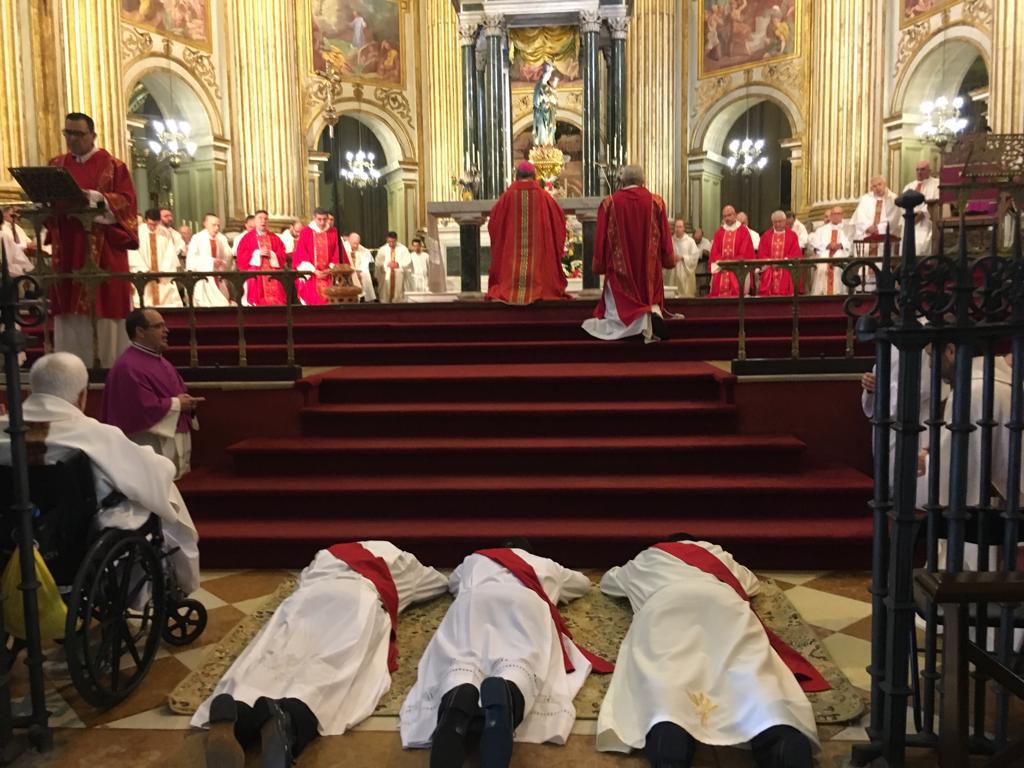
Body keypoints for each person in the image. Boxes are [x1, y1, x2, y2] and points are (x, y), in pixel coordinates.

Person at [195, 540, 447, 766]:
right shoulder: (401, 560)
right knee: (332, 665)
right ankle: (289, 718)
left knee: (275, 653)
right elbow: (436, 584)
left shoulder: (326, 555)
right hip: (357, 599)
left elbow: (303, 580)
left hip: (309, 597)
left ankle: (238, 710)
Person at [596, 535, 823, 768]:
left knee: (667, 669)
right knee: (748, 666)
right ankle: (778, 732)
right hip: (724, 602)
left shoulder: (646, 558)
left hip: (666, 603)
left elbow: (609, 583)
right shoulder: (718, 555)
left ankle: (670, 733)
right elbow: (751, 584)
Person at [0, 352, 199, 594]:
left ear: (33, 388)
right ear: (82, 395)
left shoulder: (5, 429)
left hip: (9, 537)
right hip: (73, 541)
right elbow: (153, 473)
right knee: (160, 494)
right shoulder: (97, 435)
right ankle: (180, 581)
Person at [400, 540, 611, 768]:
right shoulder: (547, 564)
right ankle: (508, 693)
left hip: (474, 599)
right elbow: (582, 585)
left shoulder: (474, 559)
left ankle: (457, 699)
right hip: (525, 601)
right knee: (520, 658)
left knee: (463, 657)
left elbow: (453, 584)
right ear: (529, 551)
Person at [46, 112, 137, 367]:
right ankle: (69, 374)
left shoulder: (113, 166)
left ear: (93, 135)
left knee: (105, 316)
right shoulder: (56, 166)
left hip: (103, 253)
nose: (72, 139)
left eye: (78, 134)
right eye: (68, 133)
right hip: (67, 252)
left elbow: (127, 203)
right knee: (68, 318)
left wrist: (95, 198)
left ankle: (107, 371)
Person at [102, 308, 201, 479]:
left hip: (169, 439)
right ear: (140, 332)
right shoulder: (128, 366)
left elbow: (174, 393)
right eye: (159, 326)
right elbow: (140, 408)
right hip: (149, 443)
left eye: (164, 326)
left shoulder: (160, 361)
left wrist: (186, 402)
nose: (166, 330)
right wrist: (178, 404)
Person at [582, 165, 676, 343]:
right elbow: (665, 237)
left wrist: (598, 264)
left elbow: (600, 238)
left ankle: (637, 324)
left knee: (620, 308)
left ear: (622, 180)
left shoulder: (609, 203)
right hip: (649, 270)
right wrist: (668, 258)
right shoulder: (656, 202)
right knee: (649, 298)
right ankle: (650, 316)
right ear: (643, 181)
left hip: (619, 271)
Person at [485, 161, 570, 305]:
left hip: (510, 270)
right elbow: (559, 223)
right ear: (534, 176)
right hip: (539, 271)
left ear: (516, 176)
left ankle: (514, 291)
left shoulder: (506, 198)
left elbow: (494, 224)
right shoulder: (545, 197)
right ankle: (536, 288)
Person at [128, 208, 183, 308]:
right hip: (144, 273)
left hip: (162, 274)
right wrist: (145, 270)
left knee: (166, 299)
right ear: (145, 221)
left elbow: (170, 254)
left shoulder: (165, 233)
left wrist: (162, 271)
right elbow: (133, 253)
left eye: (155, 224)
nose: (153, 227)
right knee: (143, 300)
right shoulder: (138, 232)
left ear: (159, 221)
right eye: (150, 224)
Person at [236, 210, 287, 306]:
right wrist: (258, 254)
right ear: (255, 221)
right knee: (254, 281)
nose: (263, 221)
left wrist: (272, 254)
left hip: (273, 272)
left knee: (279, 283)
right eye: (260, 218)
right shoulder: (247, 238)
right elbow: (241, 257)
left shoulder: (275, 238)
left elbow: (282, 254)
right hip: (255, 271)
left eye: (266, 219)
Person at [293, 208, 342, 306]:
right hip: (311, 274)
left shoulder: (333, 232)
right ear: (314, 218)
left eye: (324, 219)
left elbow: (338, 253)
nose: (322, 222)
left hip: (330, 274)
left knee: (335, 295)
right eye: (319, 219)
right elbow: (301, 254)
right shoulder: (306, 232)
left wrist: (330, 269)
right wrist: (314, 271)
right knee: (312, 296)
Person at [185, 213, 233, 307]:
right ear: (205, 224)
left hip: (218, 275)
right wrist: (210, 262)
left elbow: (228, 256)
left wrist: (222, 262)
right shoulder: (197, 238)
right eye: (214, 225)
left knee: (223, 303)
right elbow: (191, 260)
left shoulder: (222, 238)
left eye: (218, 225)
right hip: (204, 278)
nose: (217, 228)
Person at [709, 205, 755, 298]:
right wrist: (722, 263)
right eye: (724, 216)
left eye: (729, 215)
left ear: (735, 215)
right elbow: (715, 252)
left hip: (737, 269)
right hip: (721, 269)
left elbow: (745, 251)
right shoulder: (719, 233)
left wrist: (731, 263)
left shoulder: (743, 231)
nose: (727, 218)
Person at [851, 176, 900, 259]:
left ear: (885, 184)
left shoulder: (893, 199)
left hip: (885, 236)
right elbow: (860, 215)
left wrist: (879, 229)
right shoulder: (866, 198)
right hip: (868, 234)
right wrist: (868, 226)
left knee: (882, 258)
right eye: (874, 186)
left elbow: (894, 218)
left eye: (879, 184)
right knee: (866, 261)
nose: (877, 188)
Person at [757, 210, 803, 296]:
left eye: (780, 221)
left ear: (785, 221)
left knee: (786, 272)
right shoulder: (766, 236)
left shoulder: (792, 235)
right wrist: (771, 262)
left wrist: (783, 262)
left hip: (785, 265)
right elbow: (762, 253)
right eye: (775, 222)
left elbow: (795, 253)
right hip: (770, 266)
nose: (777, 224)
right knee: (767, 273)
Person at [809, 206, 852, 296]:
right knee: (823, 264)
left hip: (841, 254)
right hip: (825, 254)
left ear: (842, 215)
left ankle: (839, 292)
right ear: (831, 215)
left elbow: (851, 243)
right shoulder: (821, 230)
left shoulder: (848, 229)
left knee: (838, 265)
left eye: (838, 214)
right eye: (834, 214)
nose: (836, 216)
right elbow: (814, 241)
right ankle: (822, 293)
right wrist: (827, 245)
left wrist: (840, 245)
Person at [902, 160, 941, 256]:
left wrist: (921, 214)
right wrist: (910, 216)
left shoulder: (936, 184)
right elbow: (901, 205)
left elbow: (936, 202)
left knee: (921, 247)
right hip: (909, 222)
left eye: (923, 169)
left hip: (927, 223)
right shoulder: (909, 187)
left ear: (929, 171)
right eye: (917, 169)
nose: (919, 172)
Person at [375, 231, 413, 304]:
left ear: (396, 240)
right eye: (389, 241)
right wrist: (386, 265)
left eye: (393, 241)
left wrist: (398, 264)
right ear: (387, 239)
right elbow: (378, 263)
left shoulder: (403, 249)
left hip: (399, 274)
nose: (391, 244)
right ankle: (385, 302)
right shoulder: (382, 249)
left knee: (398, 292)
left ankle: (398, 302)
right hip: (386, 274)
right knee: (385, 293)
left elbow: (408, 261)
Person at [665, 218, 699, 298]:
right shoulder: (670, 240)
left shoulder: (690, 241)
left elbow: (695, 257)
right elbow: (665, 254)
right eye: (676, 227)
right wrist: (671, 257)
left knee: (685, 296)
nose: (678, 229)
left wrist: (683, 257)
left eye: (680, 227)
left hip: (685, 274)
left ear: (684, 228)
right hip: (672, 272)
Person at [343, 231, 377, 302]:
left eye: (357, 243)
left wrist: (359, 270)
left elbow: (365, 263)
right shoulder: (343, 247)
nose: (356, 246)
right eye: (354, 243)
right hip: (346, 270)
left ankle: (365, 298)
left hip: (359, 271)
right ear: (349, 241)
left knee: (366, 275)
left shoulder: (363, 250)